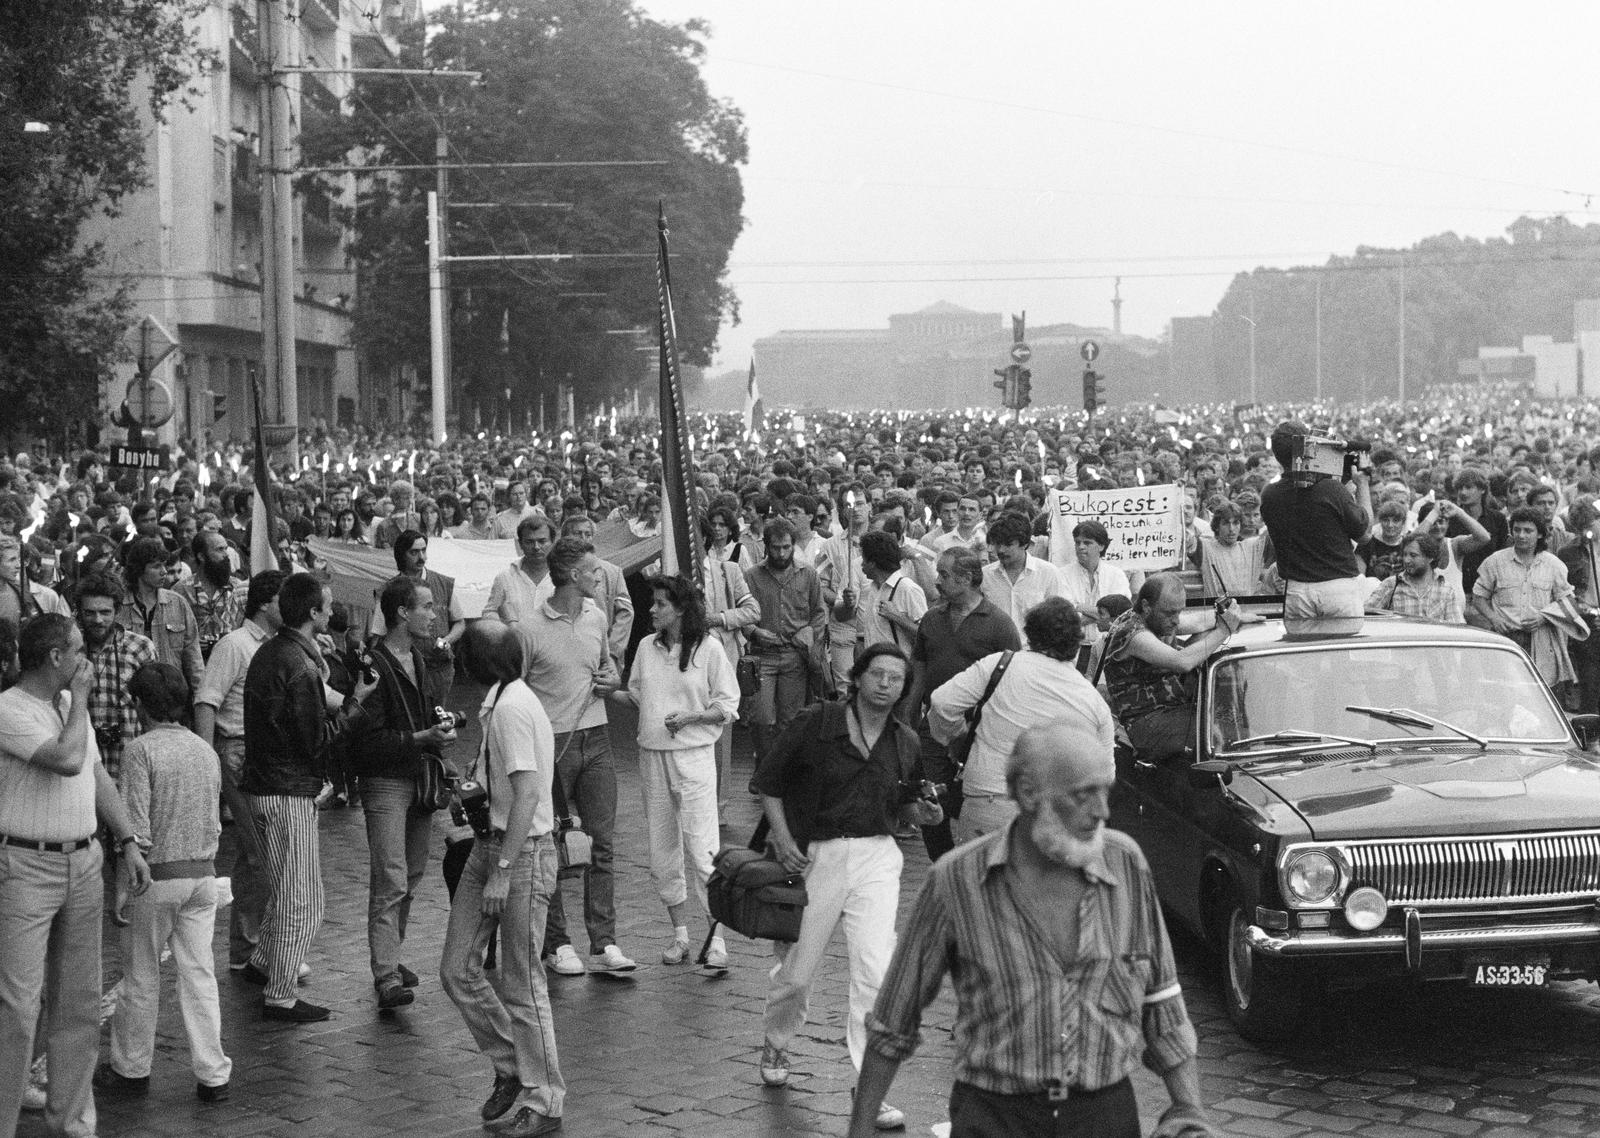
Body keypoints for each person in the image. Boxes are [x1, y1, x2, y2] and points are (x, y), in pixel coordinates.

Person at [848, 717, 1210, 1138]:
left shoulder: (1125, 864)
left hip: (1104, 1115)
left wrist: (1189, 1110)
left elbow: (1163, 998)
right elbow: (893, 1020)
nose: (1102, 811)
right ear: (1027, 793)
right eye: (1082, 795)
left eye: (1104, 792)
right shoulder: (957, 881)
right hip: (994, 1117)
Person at [753, 644, 943, 1133]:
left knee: (876, 974)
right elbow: (769, 781)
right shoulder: (818, 723)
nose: (885, 684)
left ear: (904, 688)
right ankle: (777, 1037)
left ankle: (869, 1086)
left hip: (877, 855)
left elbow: (903, 804)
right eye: (876, 674)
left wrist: (919, 814)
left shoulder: (905, 741)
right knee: (797, 972)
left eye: (895, 679)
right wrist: (781, 835)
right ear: (857, 678)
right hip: (819, 854)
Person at [0, 613, 151, 1137]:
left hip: (84, 860)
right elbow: (66, 760)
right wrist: (83, 700)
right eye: (80, 650)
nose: (88, 659)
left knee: (79, 1002)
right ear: (54, 658)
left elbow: (95, 775)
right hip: (25, 865)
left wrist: (127, 840)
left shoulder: (67, 705)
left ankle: (72, 1120)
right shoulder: (9, 710)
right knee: (17, 1004)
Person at [439, 621, 565, 1138]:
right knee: (456, 969)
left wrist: (505, 870)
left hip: (519, 854)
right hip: (491, 846)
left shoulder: (513, 707)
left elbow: (530, 794)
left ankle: (545, 1098)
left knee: (521, 982)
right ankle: (515, 1066)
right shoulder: (502, 696)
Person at [239, 572, 376, 1022]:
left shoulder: (274, 651)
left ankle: (263, 964)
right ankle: (280, 994)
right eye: (328, 605)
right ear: (314, 613)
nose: (333, 611)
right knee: (305, 899)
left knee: (285, 889)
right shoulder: (296, 663)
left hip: (268, 787)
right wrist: (355, 704)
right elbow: (316, 741)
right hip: (287, 791)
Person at [98, 661, 232, 1104]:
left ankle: (131, 1067)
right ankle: (213, 1072)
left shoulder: (141, 750)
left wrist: (122, 882)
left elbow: (134, 828)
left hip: (157, 876)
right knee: (199, 974)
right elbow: (213, 820)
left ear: (139, 704)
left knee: (140, 974)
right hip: (202, 874)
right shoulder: (204, 750)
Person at [600, 574, 739, 966]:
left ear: (679, 608)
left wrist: (692, 717)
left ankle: (716, 938)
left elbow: (728, 706)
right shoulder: (646, 647)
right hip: (652, 757)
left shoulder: (709, 649)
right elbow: (640, 699)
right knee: (662, 853)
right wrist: (609, 690)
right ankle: (680, 934)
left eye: (660, 603)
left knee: (702, 848)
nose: (652, 609)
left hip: (693, 757)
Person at [518, 538, 635, 978]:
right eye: (591, 570)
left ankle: (604, 942)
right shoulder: (529, 627)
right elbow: (516, 689)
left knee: (602, 843)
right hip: (553, 745)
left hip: (597, 738)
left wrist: (611, 679)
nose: (598, 575)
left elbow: (607, 669)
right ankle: (558, 942)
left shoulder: (597, 616)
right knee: (553, 844)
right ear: (570, 575)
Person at [350, 575, 459, 1010]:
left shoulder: (420, 658)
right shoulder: (374, 665)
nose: (434, 615)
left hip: (420, 778)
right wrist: (421, 737)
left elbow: (429, 711)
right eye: (427, 607)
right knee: (391, 876)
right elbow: (367, 740)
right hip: (385, 781)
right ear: (402, 613)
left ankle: (391, 956)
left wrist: (442, 737)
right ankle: (386, 975)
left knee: (411, 874)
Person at [929, 597, 1113, 844]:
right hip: (1054, 814)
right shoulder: (1093, 701)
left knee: (982, 881)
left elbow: (942, 702)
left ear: (1029, 635)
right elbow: (1105, 776)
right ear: (1077, 642)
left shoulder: (1000, 664)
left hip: (990, 799)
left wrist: (955, 736)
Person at [194, 569, 283, 973]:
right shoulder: (235, 644)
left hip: (267, 753)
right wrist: (208, 761)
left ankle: (248, 948)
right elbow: (207, 701)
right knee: (259, 851)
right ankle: (250, 950)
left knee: (258, 853)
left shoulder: (280, 645)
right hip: (237, 752)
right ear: (266, 603)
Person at [908, 548, 1021, 861]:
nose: (937, 580)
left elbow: (1013, 678)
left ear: (968, 578)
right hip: (932, 724)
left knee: (970, 796)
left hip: (976, 731)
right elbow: (918, 668)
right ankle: (942, 862)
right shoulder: (931, 618)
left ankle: (973, 858)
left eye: (944, 575)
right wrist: (908, 714)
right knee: (928, 792)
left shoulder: (999, 624)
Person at [1102, 573, 1242, 760]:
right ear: (1146, 606)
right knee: (1233, 734)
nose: (1176, 620)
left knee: (1232, 725)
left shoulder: (1150, 618)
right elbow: (1182, 662)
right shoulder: (1132, 634)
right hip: (1147, 726)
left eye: (1179, 611)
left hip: (1170, 716)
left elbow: (1198, 622)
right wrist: (1224, 631)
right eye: (1169, 613)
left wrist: (1235, 617)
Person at [1259, 420, 1373, 618]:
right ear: (1309, 445)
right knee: (1343, 647)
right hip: (1337, 590)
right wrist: (1361, 483)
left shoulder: (1269, 495)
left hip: (1296, 591)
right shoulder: (1330, 489)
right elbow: (1365, 535)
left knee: (1301, 648)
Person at [745, 518, 828, 762]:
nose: (781, 553)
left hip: (795, 656)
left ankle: (778, 771)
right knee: (760, 718)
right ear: (766, 547)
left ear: (793, 546)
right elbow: (741, 615)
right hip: (763, 655)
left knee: (790, 720)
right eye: (775, 548)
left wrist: (810, 634)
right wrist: (754, 632)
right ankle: (763, 761)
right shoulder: (752, 576)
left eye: (786, 547)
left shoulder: (808, 574)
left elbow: (819, 613)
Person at [1471, 505, 1580, 687]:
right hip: (1505, 638)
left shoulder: (1554, 565)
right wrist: (1494, 618)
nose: (1521, 535)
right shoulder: (1495, 561)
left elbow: (1568, 600)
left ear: (1539, 534)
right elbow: (1478, 597)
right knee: (1504, 691)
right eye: (1517, 530)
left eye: (1528, 531)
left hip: (1540, 640)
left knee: (1539, 692)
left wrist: (1544, 617)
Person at [75, 571, 159, 784]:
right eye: (89, 613)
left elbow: (155, 710)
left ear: (118, 610)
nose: (98, 620)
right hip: (82, 767)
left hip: (130, 765)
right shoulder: (72, 650)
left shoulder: (140, 647)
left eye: (105, 612)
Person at [377, 530, 466, 705]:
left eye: (423, 550)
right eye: (414, 552)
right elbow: (378, 633)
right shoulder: (389, 590)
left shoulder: (443, 583)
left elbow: (460, 623)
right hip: (404, 666)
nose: (421, 557)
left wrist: (446, 641)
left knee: (437, 715)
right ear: (402, 555)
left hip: (438, 667)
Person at [118, 535, 204, 695]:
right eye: (156, 566)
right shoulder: (119, 606)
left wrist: (200, 697)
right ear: (139, 569)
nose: (164, 572)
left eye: (164, 566)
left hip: (172, 694)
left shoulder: (178, 603)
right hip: (131, 694)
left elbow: (193, 657)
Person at [981, 511, 1066, 632]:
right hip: (995, 649)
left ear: (1025, 543)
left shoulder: (1048, 573)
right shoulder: (985, 575)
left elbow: (1060, 617)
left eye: (1008, 544)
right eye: (998, 544)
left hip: (1034, 648)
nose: (1001, 550)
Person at [1369, 533, 1466, 624]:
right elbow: (1366, 616)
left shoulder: (1445, 589)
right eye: (1404, 555)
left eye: (1413, 555)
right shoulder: (1391, 584)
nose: (1406, 560)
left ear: (1430, 558)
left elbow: (1457, 628)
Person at [178, 531, 245, 661]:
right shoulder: (181, 590)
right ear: (202, 556)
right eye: (220, 549)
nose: (226, 555)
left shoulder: (238, 588)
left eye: (226, 549)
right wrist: (193, 643)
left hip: (231, 659)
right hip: (195, 661)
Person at [857, 530, 927, 656]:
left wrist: (897, 617)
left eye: (864, 559)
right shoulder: (872, 588)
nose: (862, 564)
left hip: (899, 669)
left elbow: (926, 635)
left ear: (873, 563)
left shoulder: (908, 589)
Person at [1059, 521, 1131, 638]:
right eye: (1077, 542)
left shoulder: (1116, 575)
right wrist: (1104, 613)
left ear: (1101, 546)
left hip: (1106, 647)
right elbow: (1064, 617)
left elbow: (1121, 614)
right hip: (1072, 648)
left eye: (1087, 543)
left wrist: (1078, 607)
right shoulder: (1062, 574)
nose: (1081, 547)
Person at [486, 511, 556, 625]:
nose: (536, 547)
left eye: (542, 541)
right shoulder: (505, 578)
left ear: (552, 542)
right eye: (529, 542)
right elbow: (489, 612)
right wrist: (509, 624)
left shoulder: (564, 578)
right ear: (520, 544)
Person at [1193, 500, 1268, 599]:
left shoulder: (1251, 547)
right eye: (1225, 523)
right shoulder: (1205, 547)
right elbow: (1185, 537)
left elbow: (1276, 530)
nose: (1231, 529)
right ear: (1217, 527)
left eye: (1236, 523)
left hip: (1247, 609)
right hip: (1216, 610)